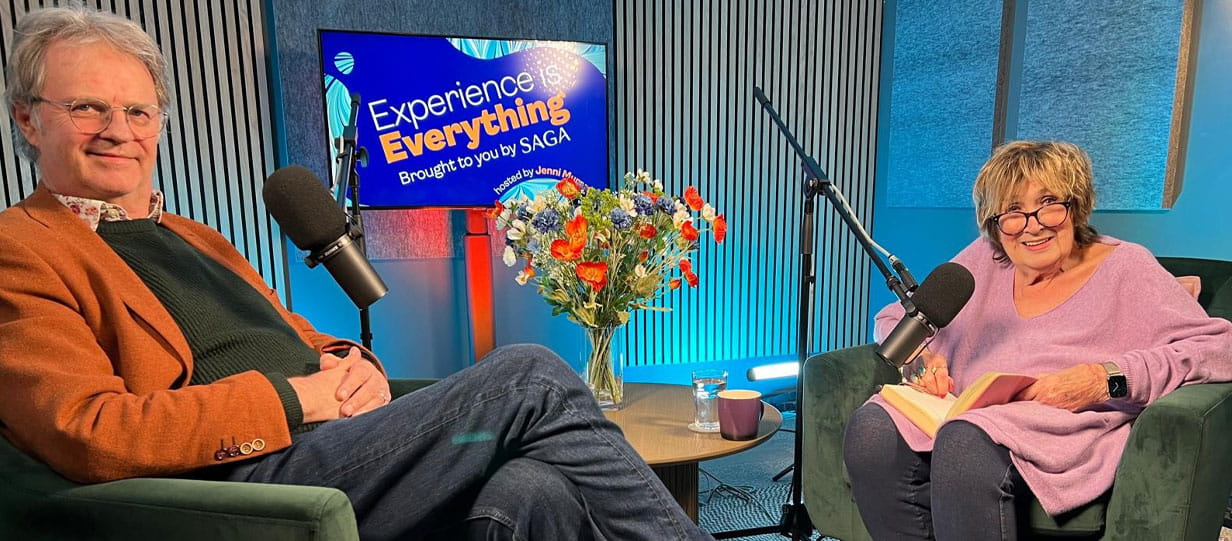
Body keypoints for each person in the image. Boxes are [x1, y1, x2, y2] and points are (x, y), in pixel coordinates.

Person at [0, 7, 712, 540]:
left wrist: (353, 364)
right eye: (87, 107)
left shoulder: (194, 236)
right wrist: (294, 399)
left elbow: (295, 337)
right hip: (246, 475)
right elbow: (86, 428)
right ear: (28, 120)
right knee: (530, 375)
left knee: (534, 489)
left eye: (138, 110)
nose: (119, 129)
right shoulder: (21, 248)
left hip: (332, 439)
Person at [842, 140, 1232, 540]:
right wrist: (921, 359)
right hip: (965, 408)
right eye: (1013, 211)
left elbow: (1220, 348)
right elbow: (895, 317)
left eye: (1048, 203)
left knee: (964, 442)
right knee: (871, 430)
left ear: (1075, 205)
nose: (1032, 225)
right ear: (994, 223)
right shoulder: (987, 257)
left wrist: (1106, 378)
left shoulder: (1128, 266)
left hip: (1058, 421)